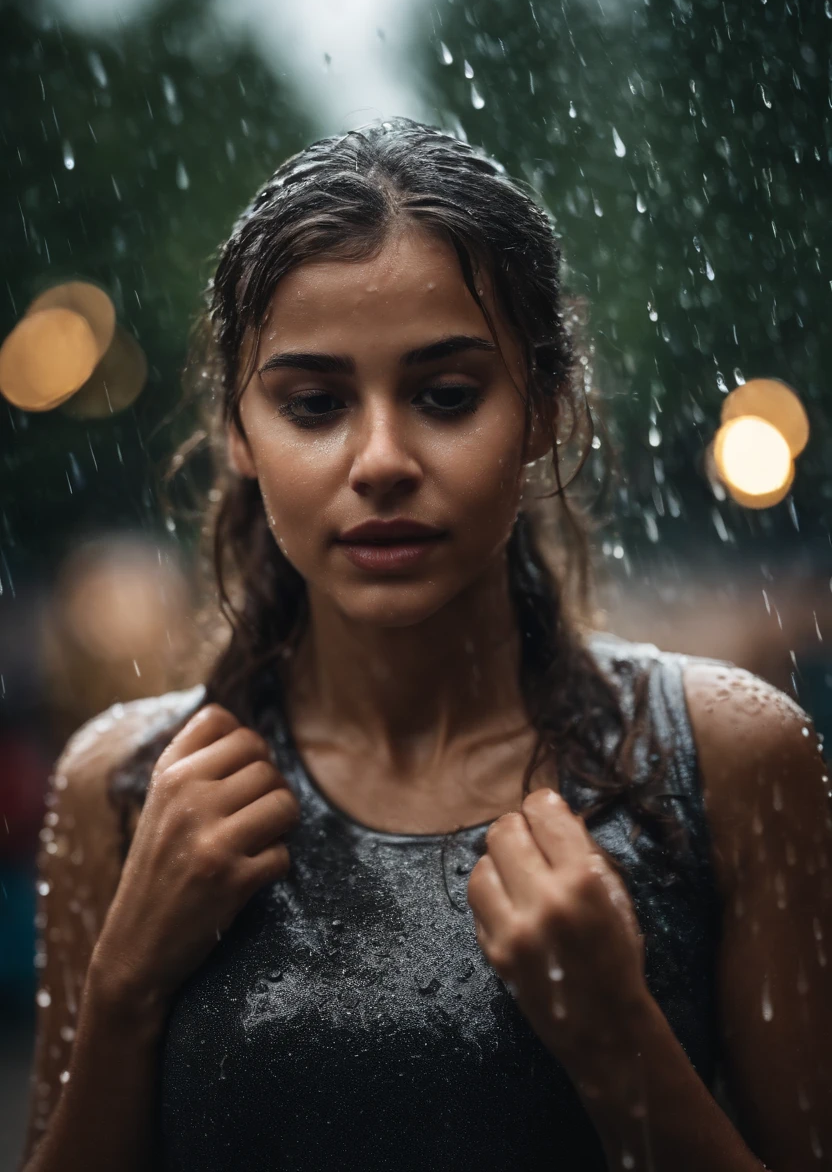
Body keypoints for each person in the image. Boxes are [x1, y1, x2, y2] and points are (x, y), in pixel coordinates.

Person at [21, 119, 831, 1172]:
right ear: (238, 427)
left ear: (545, 404)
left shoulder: (722, 760)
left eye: (446, 396)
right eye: (314, 404)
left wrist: (618, 1045)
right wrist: (126, 991)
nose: (383, 459)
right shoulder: (125, 788)